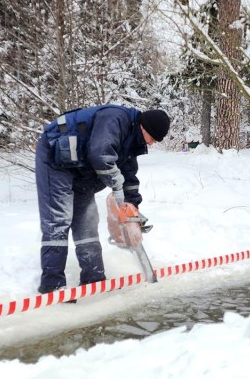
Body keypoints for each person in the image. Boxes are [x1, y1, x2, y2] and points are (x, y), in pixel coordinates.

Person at [36, 105, 170, 294]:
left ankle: (94, 280)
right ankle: (52, 287)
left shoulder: (133, 140)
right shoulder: (116, 118)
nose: (152, 143)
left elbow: (129, 177)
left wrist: (131, 206)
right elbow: (100, 154)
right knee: (59, 219)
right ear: (145, 128)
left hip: (81, 168)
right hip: (55, 156)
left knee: (87, 223)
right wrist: (117, 189)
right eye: (153, 138)